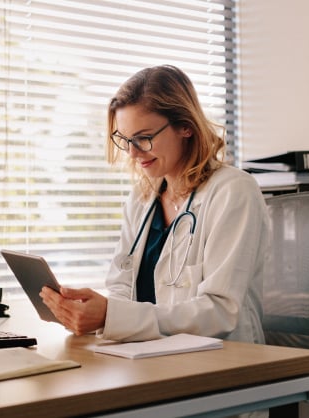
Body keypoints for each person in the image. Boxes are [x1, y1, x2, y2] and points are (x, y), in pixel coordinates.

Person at [40, 64, 269, 345]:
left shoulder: (233, 191)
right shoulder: (142, 197)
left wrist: (112, 317)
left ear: (185, 126)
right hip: (150, 355)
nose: (133, 152)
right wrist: (94, 313)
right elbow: (121, 287)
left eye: (144, 138)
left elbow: (220, 313)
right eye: (125, 140)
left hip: (221, 361)